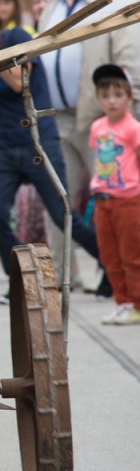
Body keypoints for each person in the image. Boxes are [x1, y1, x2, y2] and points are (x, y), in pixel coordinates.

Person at [0, 0, 99, 303]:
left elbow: (19, 83)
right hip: (6, 145)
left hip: (38, 138)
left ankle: (112, 266)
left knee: (63, 215)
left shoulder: (15, 37)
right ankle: (19, 279)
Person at [37, 0, 140, 290]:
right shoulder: (53, 1)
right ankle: (62, 276)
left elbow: (128, 61)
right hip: (55, 115)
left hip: (101, 121)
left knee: (115, 199)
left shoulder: (110, 0)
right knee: (58, 199)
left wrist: (127, 109)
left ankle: (119, 276)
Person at [88, 65, 140, 325]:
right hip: (103, 200)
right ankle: (123, 302)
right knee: (110, 257)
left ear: (130, 96)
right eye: (105, 95)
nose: (111, 100)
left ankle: (136, 303)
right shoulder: (97, 127)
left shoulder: (133, 128)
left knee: (132, 256)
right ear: (98, 98)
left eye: (118, 94)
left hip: (129, 201)